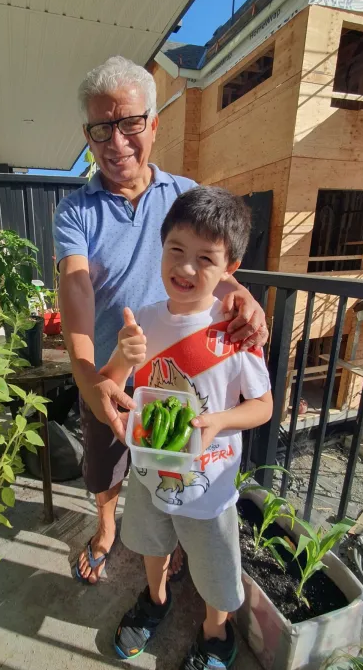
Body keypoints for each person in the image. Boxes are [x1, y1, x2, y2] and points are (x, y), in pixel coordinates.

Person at [53, 56, 269, 584]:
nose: (117, 141)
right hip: (113, 368)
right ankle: (106, 528)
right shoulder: (75, 210)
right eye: (101, 128)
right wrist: (89, 376)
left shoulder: (182, 193)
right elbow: (76, 285)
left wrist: (246, 297)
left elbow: (214, 263)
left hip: (183, 370)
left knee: (174, 466)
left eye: (130, 123)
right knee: (104, 466)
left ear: (153, 123)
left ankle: (164, 541)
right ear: (88, 133)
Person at [101, 186, 272, 670]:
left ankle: (217, 635)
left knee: (216, 570)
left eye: (206, 259)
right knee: (151, 546)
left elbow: (263, 407)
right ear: (162, 246)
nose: (187, 268)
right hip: (150, 474)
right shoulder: (145, 320)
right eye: (176, 250)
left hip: (211, 486)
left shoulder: (234, 333)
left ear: (230, 267)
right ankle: (155, 599)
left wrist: (218, 421)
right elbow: (112, 385)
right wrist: (123, 360)